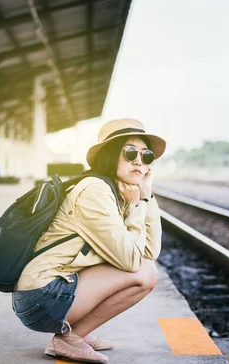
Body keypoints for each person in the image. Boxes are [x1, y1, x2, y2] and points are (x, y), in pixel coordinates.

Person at [12, 118, 166, 363]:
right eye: (130, 152)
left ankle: (77, 333)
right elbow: (135, 261)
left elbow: (150, 250)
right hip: (40, 296)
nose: (139, 161)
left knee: (146, 268)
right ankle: (68, 339)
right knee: (146, 274)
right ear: (110, 154)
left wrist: (147, 196)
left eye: (146, 156)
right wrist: (138, 204)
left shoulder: (120, 191)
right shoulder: (95, 191)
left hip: (55, 289)